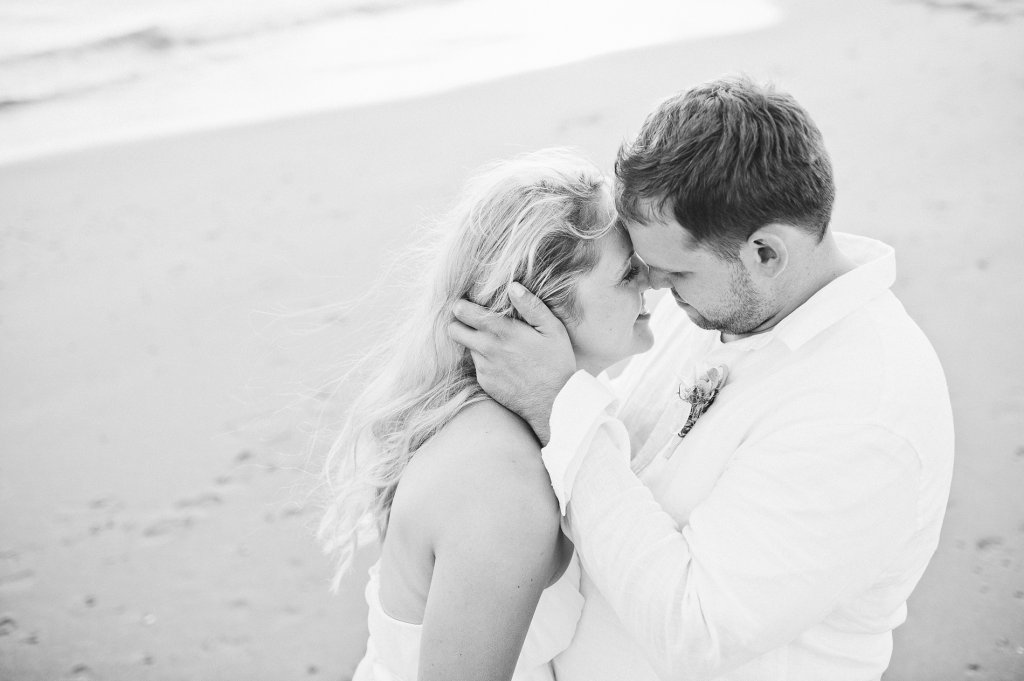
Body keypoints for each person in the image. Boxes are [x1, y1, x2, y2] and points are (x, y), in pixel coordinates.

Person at [449, 76, 955, 680]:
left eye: (675, 272)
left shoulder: (864, 409)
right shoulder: (730, 299)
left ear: (766, 253)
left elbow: (697, 631)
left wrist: (558, 406)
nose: (654, 288)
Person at [317, 149, 654, 681]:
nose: (652, 283)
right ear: (538, 305)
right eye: (628, 272)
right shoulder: (500, 482)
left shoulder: (503, 421)